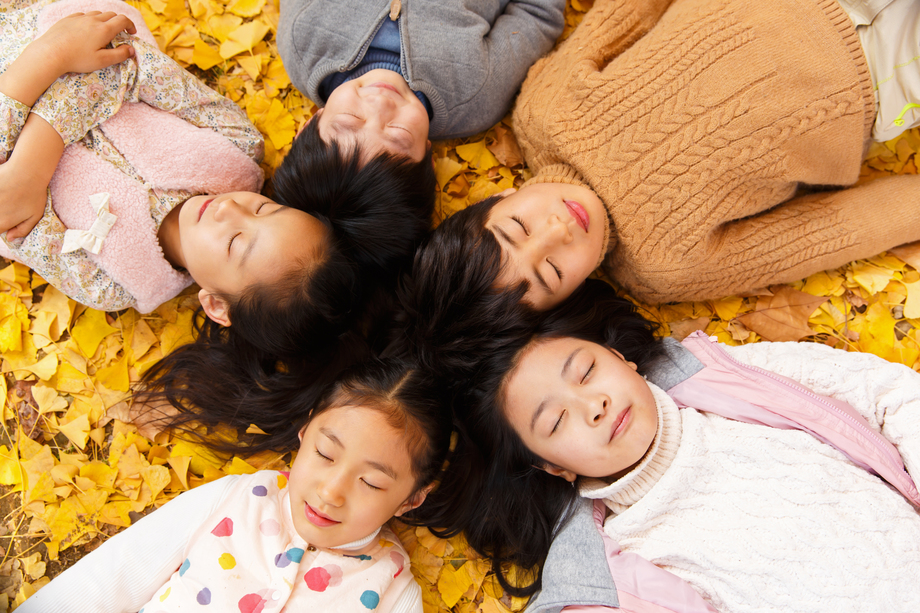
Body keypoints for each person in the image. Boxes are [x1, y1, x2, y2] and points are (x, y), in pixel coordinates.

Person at [417, 279, 920, 612]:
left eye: (588, 371)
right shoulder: (625, 561)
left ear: (620, 357)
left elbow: (892, 395)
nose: (592, 406)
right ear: (551, 466)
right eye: (556, 420)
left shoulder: (727, 373)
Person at [417, 0, 920, 309]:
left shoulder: (544, 113)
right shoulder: (664, 268)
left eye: (518, 228)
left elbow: (629, 12)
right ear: (572, 294)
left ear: (500, 197)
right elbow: (825, 231)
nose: (557, 231)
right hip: (876, 80)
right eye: (551, 272)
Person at [18, 359, 452, 613]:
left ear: (412, 498)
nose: (331, 491)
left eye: (370, 482)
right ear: (304, 434)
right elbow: (115, 574)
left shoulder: (392, 591)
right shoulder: (236, 499)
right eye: (325, 454)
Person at [276, 0, 567, 159]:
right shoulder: (476, 91)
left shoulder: (302, 41)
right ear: (426, 152)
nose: (380, 105)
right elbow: (536, 13)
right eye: (399, 134)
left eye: (350, 120)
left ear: (310, 124)